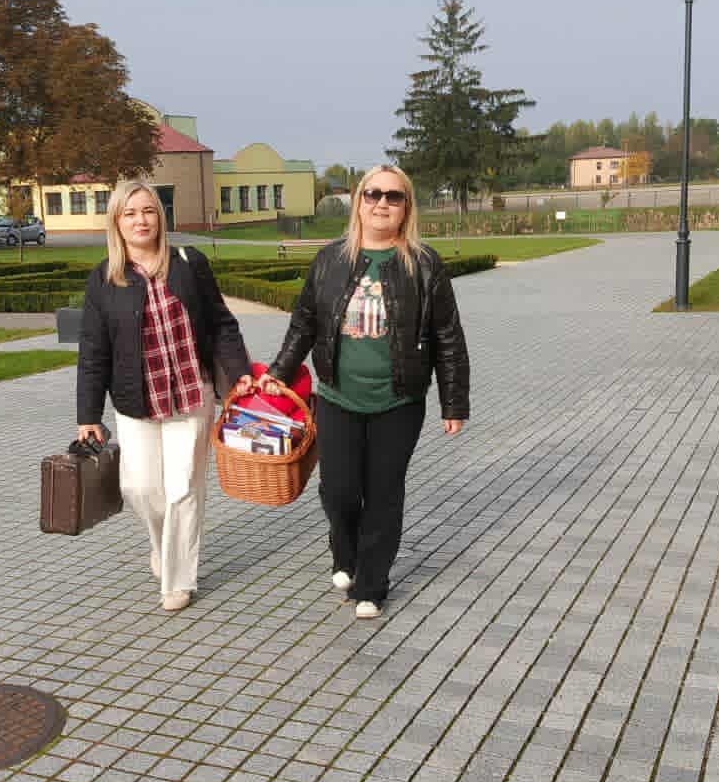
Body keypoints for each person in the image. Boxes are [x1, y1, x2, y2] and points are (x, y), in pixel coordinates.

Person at [259, 164, 469, 619]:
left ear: (406, 207)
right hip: (338, 397)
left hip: (399, 401)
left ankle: (372, 584)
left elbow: (448, 337)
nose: (382, 203)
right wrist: (279, 371)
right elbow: (304, 323)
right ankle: (344, 547)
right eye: (373, 193)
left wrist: (454, 402)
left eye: (394, 196)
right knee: (338, 490)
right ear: (358, 202)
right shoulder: (330, 260)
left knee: (383, 493)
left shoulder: (424, 264)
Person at [77, 179, 252, 612]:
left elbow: (222, 323)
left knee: (183, 489)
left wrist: (241, 375)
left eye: (148, 211)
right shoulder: (104, 278)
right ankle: (161, 544)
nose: (141, 220)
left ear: (160, 215)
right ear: (117, 222)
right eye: (130, 213)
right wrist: (88, 414)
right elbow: (93, 351)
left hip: (191, 395)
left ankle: (178, 580)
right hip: (136, 401)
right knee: (139, 488)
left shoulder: (189, 263)